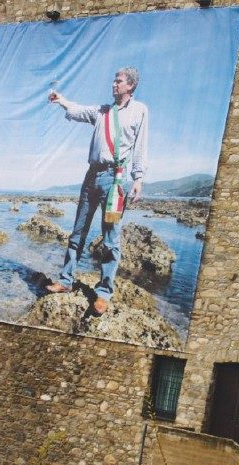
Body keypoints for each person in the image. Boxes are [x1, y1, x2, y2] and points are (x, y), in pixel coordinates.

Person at [43, 67, 149, 315]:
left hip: (115, 181)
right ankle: (66, 281)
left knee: (111, 239)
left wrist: (138, 178)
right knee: (78, 231)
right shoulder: (103, 111)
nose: (113, 84)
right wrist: (61, 100)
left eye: (119, 81)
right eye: (114, 80)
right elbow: (78, 110)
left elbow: (141, 147)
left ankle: (103, 294)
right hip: (91, 177)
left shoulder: (140, 111)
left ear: (130, 86)